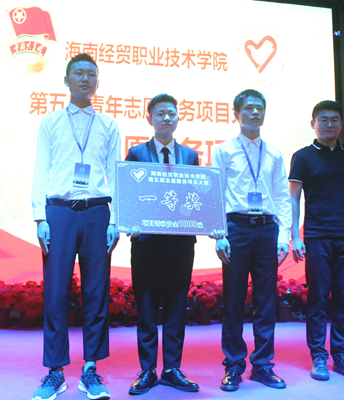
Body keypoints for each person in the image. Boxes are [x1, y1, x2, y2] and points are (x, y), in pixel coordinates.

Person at [30, 53, 120, 400]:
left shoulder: (109, 125)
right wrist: (40, 217)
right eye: (78, 73)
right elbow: (42, 168)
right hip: (60, 212)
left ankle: (90, 369)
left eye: (91, 74)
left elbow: (114, 173)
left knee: (96, 293)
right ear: (66, 81)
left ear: (97, 82)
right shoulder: (51, 121)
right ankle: (55, 372)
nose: (85, 79)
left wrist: (115, 220)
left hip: (97, 212)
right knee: (55, 292)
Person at [211, 89, 291, 391]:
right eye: (249, 108)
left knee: (266, 300)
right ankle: (233, 365)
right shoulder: (223, 150)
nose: (255, 112)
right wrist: (219, 234)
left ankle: (263, 365)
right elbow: (215, 194)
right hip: (236, 228)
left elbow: (282, 196)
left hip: (267, 228)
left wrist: (284, 236)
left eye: (260, 108)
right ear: (236, 113)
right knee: (233, 300)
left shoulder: (275, 153)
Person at [289, 100, 344, 382]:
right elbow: (293, 197)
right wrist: (294, 235)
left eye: (334, 120)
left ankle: (341, 355)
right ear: (313, 124)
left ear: (341, 124)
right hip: (317, 236)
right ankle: (318, 356)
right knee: (318, 298)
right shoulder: (302, 156)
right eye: (323, 120)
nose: (329, 124)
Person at [125, 94, 200, 395]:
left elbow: (196, 197)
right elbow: (129, 193)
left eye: (171, 113)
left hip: (181, 244)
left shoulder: (190, 156)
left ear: (178, 117)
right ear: (149, 118)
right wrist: (129, 221)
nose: (167, 118)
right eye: (160, 113)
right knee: (146, 305)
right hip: (146, 243)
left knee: (176, 305)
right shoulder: (137, 153)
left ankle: (171, 369)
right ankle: (147, 370)